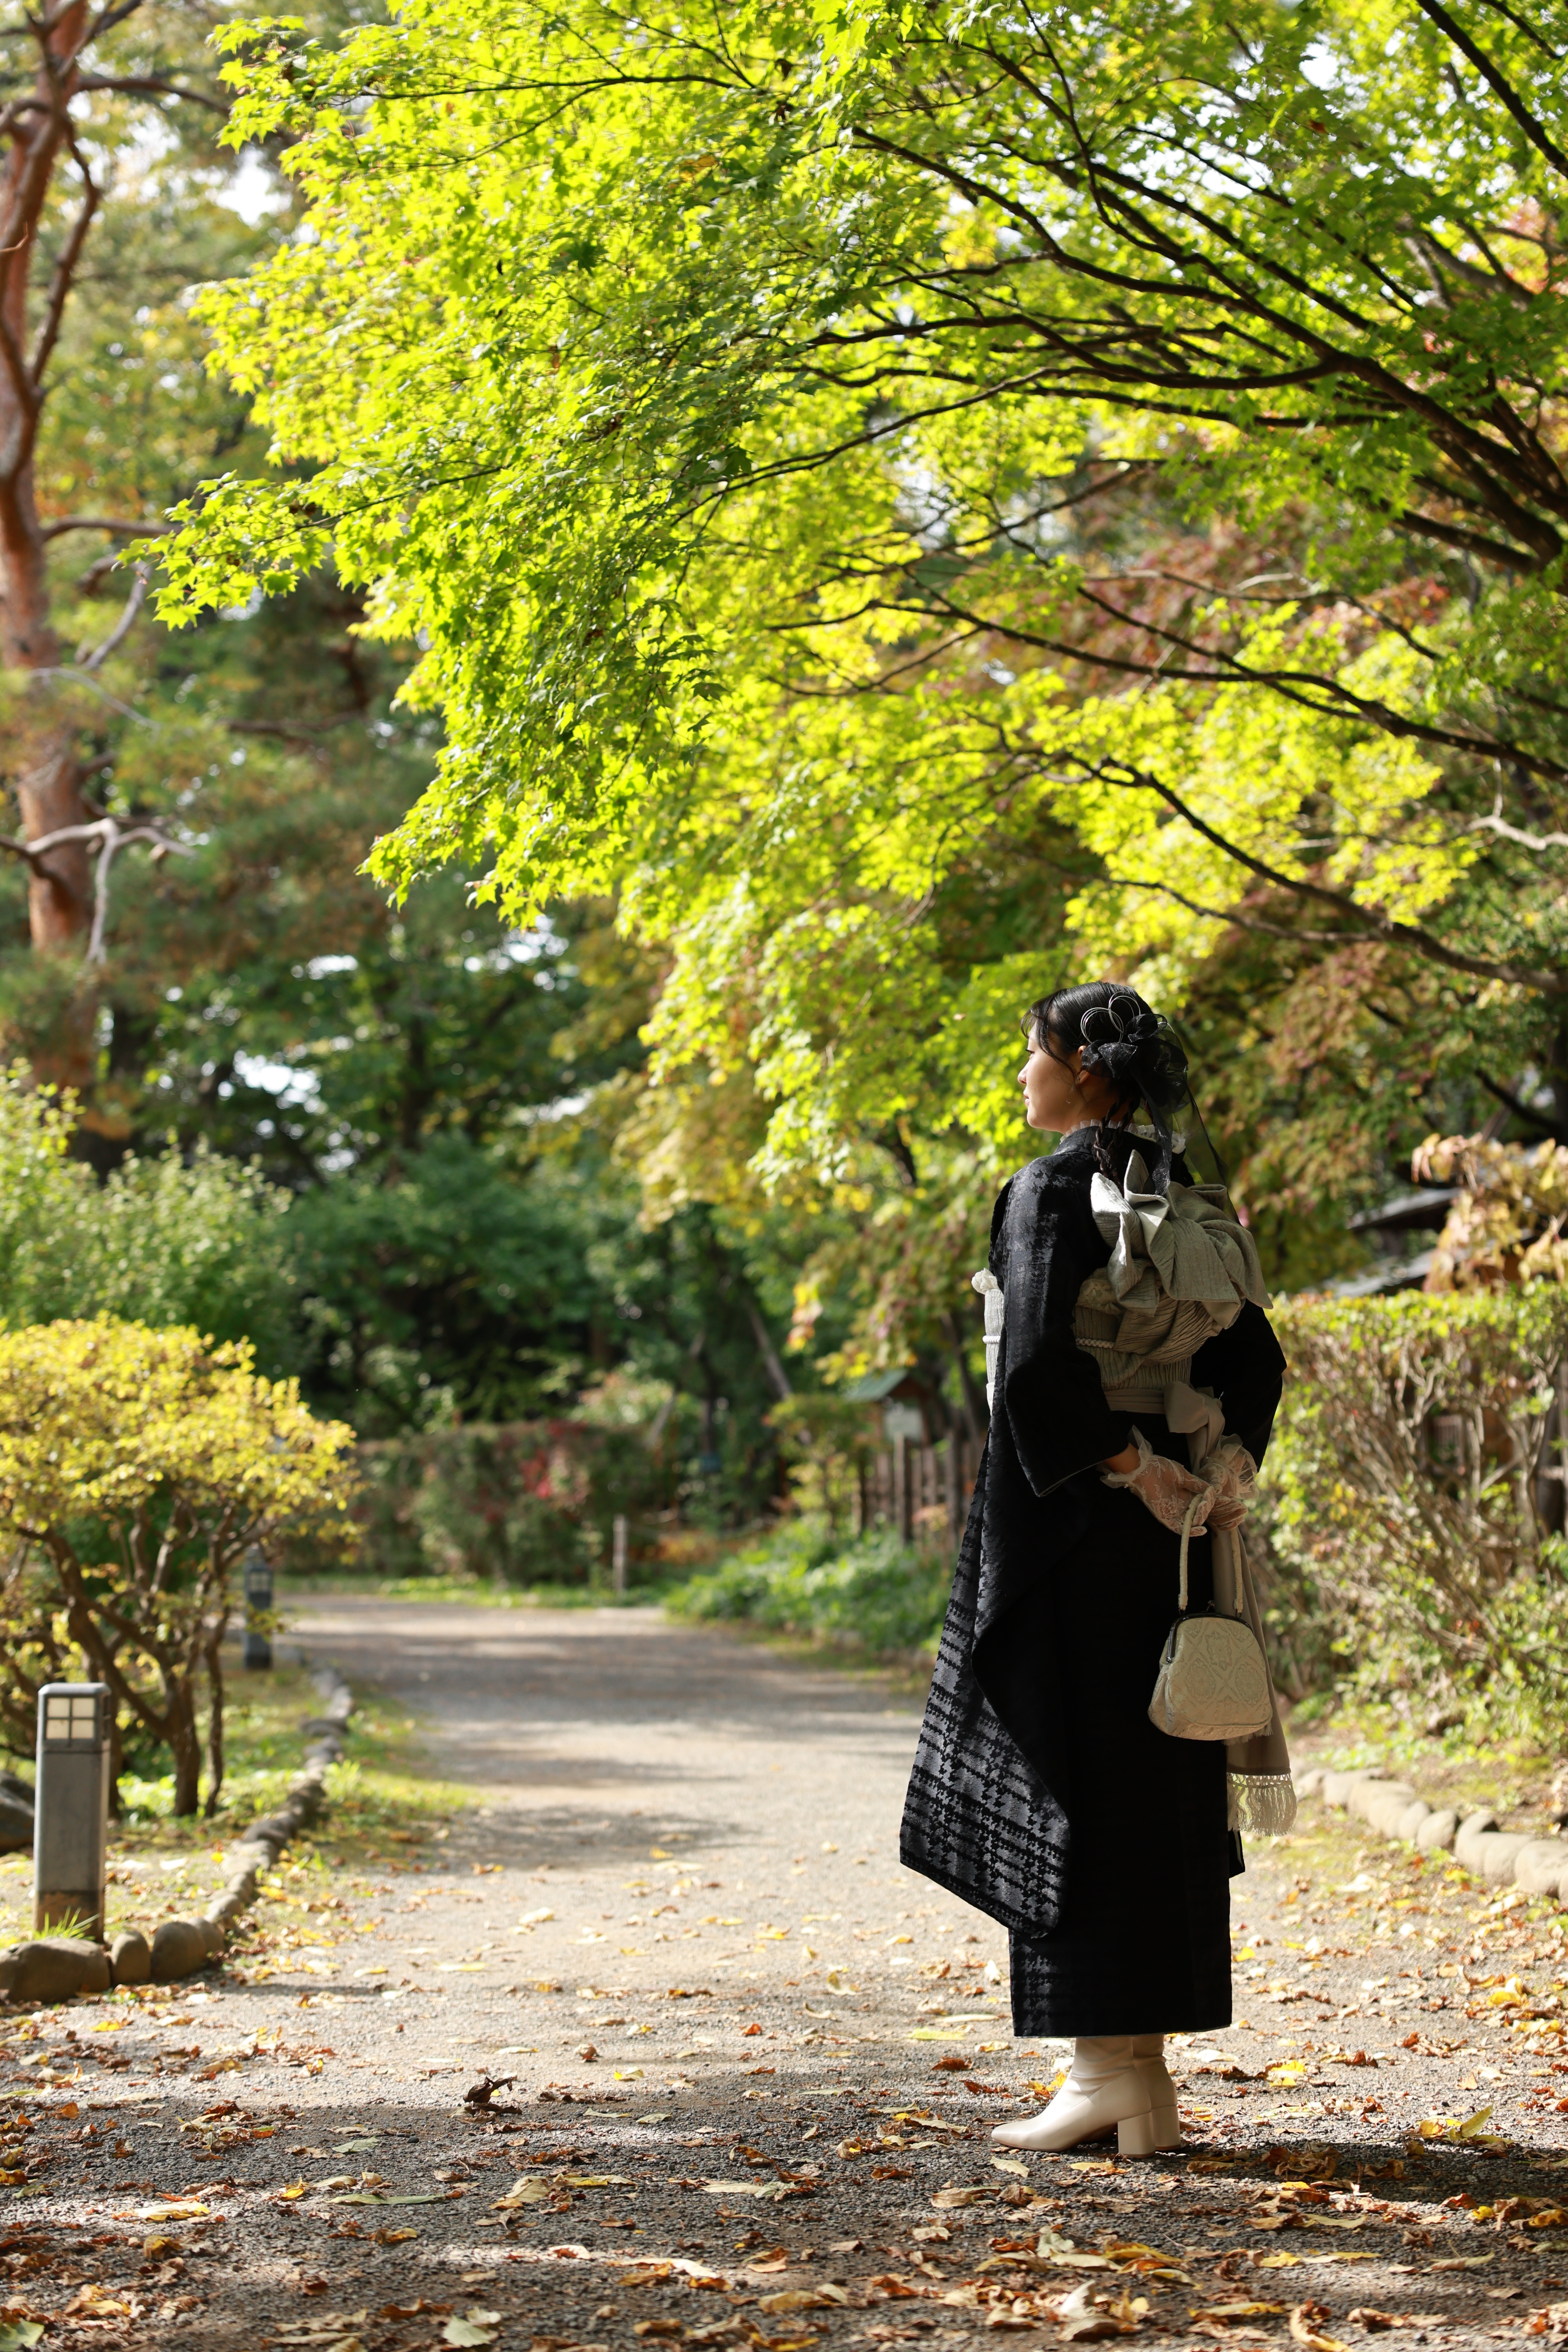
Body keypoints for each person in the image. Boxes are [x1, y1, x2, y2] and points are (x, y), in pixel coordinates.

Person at [899, 981, 1290, 2155]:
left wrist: (1124, 1464)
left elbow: (1028, 1376)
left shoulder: (1050, 1190)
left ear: (1082, 1067)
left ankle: (1103, 2070)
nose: (1023, 1077)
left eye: (1033, 1056)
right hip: (1173, 1537)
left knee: (1066, 1766)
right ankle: (1138, 2080)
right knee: (1160, 1773)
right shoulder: (1190, 1195)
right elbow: (1259, 1359)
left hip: (1078, 1519)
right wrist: (1214, 1464)